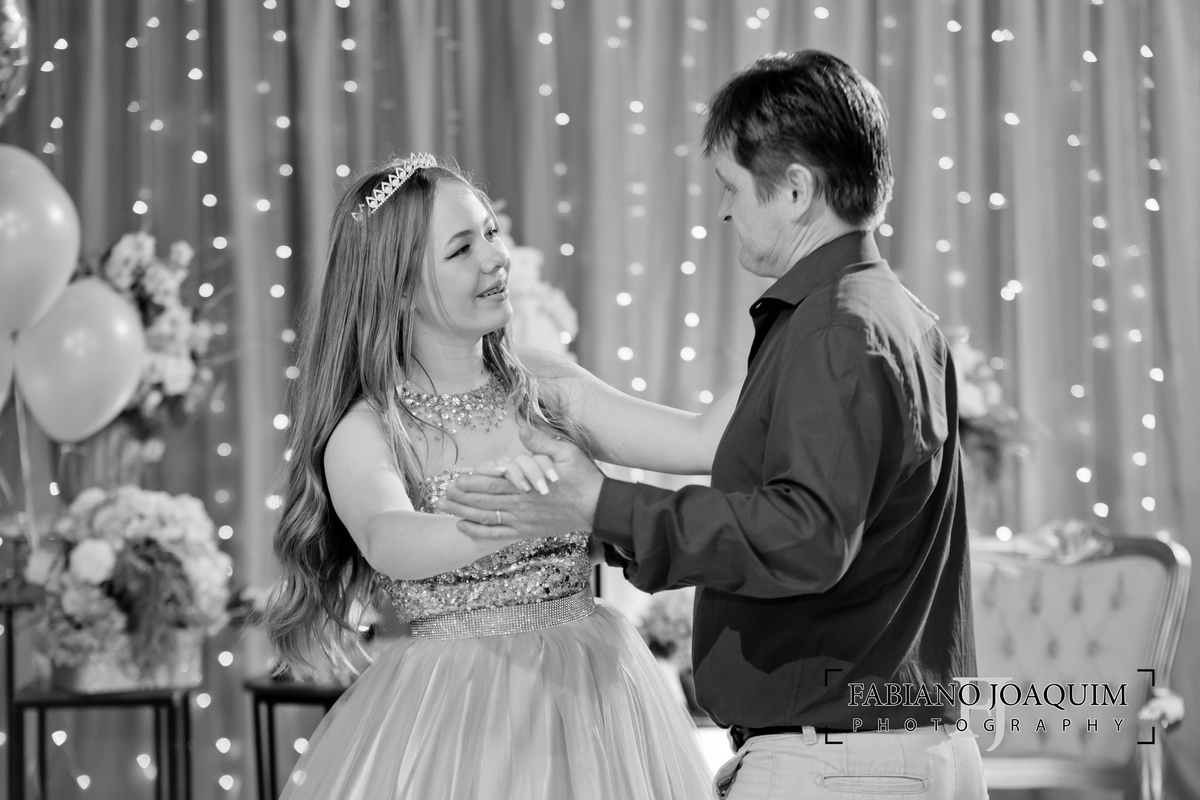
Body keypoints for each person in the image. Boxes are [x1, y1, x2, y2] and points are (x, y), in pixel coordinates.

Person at [442, 50, 988, 799]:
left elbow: (806, 538)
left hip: (843, 767)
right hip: (878, 753)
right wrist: (592, 515)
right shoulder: (888, 315)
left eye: (731, 187)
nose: (726, 210)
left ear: (795, 189)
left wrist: (603, 503)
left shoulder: (838, 329)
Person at [262, 153, 739, 799]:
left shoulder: (542, 383)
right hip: (461, 713)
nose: (496, 258)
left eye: (490, 233)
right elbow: (386, 537)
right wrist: (514, 513)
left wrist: (793, 329)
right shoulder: (371, 426)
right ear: (397, 287)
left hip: (595, 693)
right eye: (462, 249)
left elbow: (703, 441)